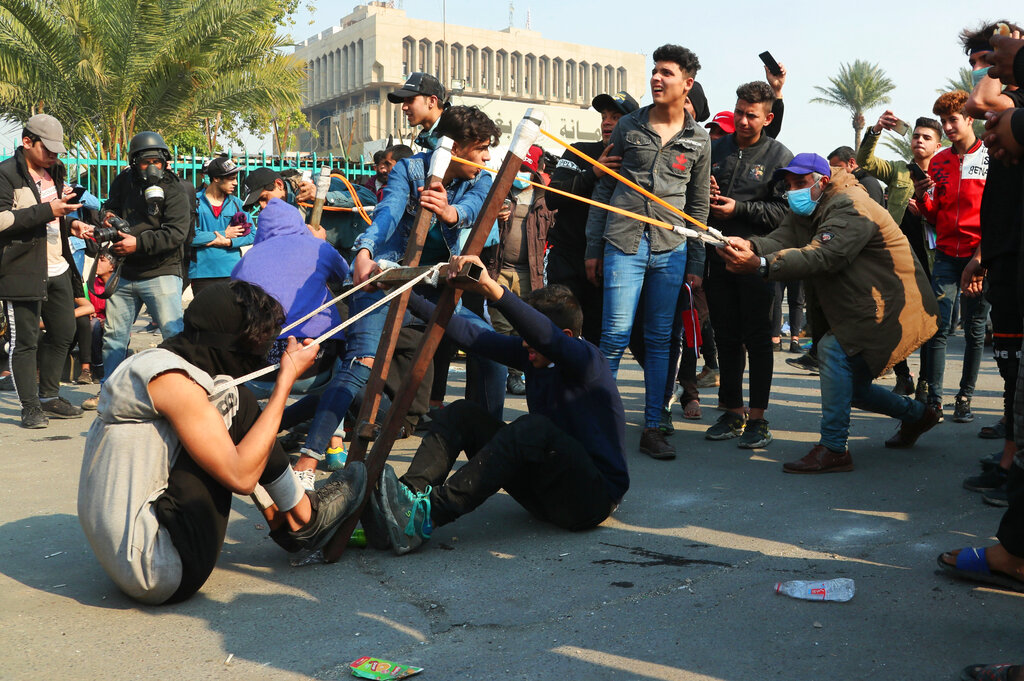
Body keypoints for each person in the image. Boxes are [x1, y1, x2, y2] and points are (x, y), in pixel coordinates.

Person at [77, 280, 366, 604]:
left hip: (128, 559)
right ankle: (305, 518)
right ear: (229, 343)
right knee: (234, 401)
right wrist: (285, 380)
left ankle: (293, 523)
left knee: (224, 408)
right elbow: (241, 478)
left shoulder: (151, 364)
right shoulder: (172, 383)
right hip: (162, 569)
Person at [365, 255, 627, 555]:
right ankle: (405, 501)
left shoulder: (587, 360)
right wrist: (402, 293)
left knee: (533, 428)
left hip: (591, 501)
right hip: (547, 494)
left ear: (564, 336)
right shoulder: (535, 354)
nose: (525, 345)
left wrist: (490, 288)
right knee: (463, 413)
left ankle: (429, 515)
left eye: (530, 339)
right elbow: (470, 335)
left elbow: (543, 335)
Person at [717, 153, 940, 473]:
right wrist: (752, 246)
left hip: (888, 304)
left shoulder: (849, 204)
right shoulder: (808, 206)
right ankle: (919, 416)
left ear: (822, 182)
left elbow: (825, 255)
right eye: (789, 184)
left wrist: (763, 264)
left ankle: (834, 448)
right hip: (861, 303)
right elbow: (782, 238)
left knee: (833, 352)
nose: (792, 190)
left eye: (800, 183)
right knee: (852, 388)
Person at [584, 44, 711, 460]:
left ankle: (653, 427)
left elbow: (698, 206)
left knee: (660, 341)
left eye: (667, 73)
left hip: (671, 249)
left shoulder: (700, 140)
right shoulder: (629, 126)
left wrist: (696, 262)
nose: (656, 79)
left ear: (687, 83)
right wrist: (592, 247)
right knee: (614, 336)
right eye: (654, 71)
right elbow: (605, 185)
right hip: (622, 242)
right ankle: (601, 424)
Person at [351, 105, 507, 422]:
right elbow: (389, 213)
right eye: (481, 149)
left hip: (440, 287)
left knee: (493, 355)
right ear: (456, 147)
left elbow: (473, 209)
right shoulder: (408, 170)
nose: (487, 157)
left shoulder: (482, 179)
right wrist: (365, 251)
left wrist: (450, 213)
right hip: (393, 282)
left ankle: (485, 433)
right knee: (360, 363)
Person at [231, 198, 351, 489]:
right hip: (314, 367)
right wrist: (319, 242)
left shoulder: (248, 257)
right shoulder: (317, 246)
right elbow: (344, 275)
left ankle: (253, 438)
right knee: (345, 366)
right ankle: (335, 443)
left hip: (260, 372)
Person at [702, 80, 793, 449]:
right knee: (725, 336)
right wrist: (703, 192)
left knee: (757, 338)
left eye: (751, 115)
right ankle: (732, 411)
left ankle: (758, 418)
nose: (742, 120)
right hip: (715, 255)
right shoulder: (715, 149)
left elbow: (783, 213)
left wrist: (738, 208)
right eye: (739, 112)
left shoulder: (780, 157)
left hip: (756, 258)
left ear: (768, 118)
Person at [959, 22, 1024, 503]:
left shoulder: (1018, 105)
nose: (984, 70)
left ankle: (1013, 467)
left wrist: (1008, 54)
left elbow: (978, 102)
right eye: (978, 61)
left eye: (989, 57)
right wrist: (982, 254)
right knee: (1010, 367)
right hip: (1002, 250)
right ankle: (1010, 458)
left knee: (1018, 368)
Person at [0, 114, 93, 427]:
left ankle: (49, 396)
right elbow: (1, 221)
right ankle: (30, 407)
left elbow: (58, 217)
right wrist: (46, 211)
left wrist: (75, 224)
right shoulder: (6, 174)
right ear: (27, 142)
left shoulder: (56, 170)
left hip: (59, 266)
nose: (53, 155)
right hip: (21, 269)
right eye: (47, 148)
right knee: (24, 341)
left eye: (57, 150)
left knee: (64, 331)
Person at [92, 131, 190, 393]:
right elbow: (109, 205)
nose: (152, 167)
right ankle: (109, 391)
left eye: (157, 161)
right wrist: (108, 215)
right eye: (146, 162)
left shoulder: (175, 189)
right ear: (135, 162)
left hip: (162, 273)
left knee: (173, 335)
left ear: (165, 161)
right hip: (125, 272)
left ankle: (181, 390)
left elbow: (176, 234)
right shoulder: (124, 180)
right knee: (113, 339)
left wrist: (138, 243)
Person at [915, 90, 990, 423]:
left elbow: (1000, 211)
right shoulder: (940, 160)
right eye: (943, 121)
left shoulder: (992, 155)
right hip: (945, 255)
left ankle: (966, 398)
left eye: (952, 119)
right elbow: (936, 214)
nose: (947, 127)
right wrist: (924, 200)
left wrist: (983, 256)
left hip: (980, 258)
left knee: (974, 330)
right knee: (938, 328)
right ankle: (935, 399)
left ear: (969, 118)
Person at [856, 113, 944, 397]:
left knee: (931, 324)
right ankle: (903, 375)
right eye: (916, 136)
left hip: (932, 257)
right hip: (897, 255)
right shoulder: (898, 170)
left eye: (926, 137)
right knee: (895, 319)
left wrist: (928, 214)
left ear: (938, 145)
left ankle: (927, 383)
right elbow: (866, 162)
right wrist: (876, 130)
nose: (919, 140)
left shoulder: (943, 174)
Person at [546, 89, 640, 345]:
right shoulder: (579, 151)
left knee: (598, 339)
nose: (607, 122)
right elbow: (552, 197)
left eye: (616, 116)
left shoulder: (638, 162)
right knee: (560, 334)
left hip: (608, 261)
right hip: (566, 258)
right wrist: (593, 173)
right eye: (604, 116)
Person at [492, 144, 557, 396]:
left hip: (530, 274)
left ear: (538, 169)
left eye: (526, 169)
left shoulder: (545, 198)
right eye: (517, 168)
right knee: (500, 325)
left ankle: (517, 375)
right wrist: (494, 218)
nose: (521, 174)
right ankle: (499, 375)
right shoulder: (499, 191)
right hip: (500, 269)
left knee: (523, 325)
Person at [190, 157, 253, 296]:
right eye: (231, 178)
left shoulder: (238, 204)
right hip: (202, 273)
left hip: (232, 271)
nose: (235, 183)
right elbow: (189, 236)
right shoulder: (194, 202)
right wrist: (223, 234)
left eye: (236, 178)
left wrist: (229, 242)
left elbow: (252, 234)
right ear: (216, 179)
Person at [388, 72, 448, 151]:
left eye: (410, 100)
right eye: (404, 101)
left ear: (432, 101)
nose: (404, 107)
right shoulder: (432, 137)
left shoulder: (459, 131)